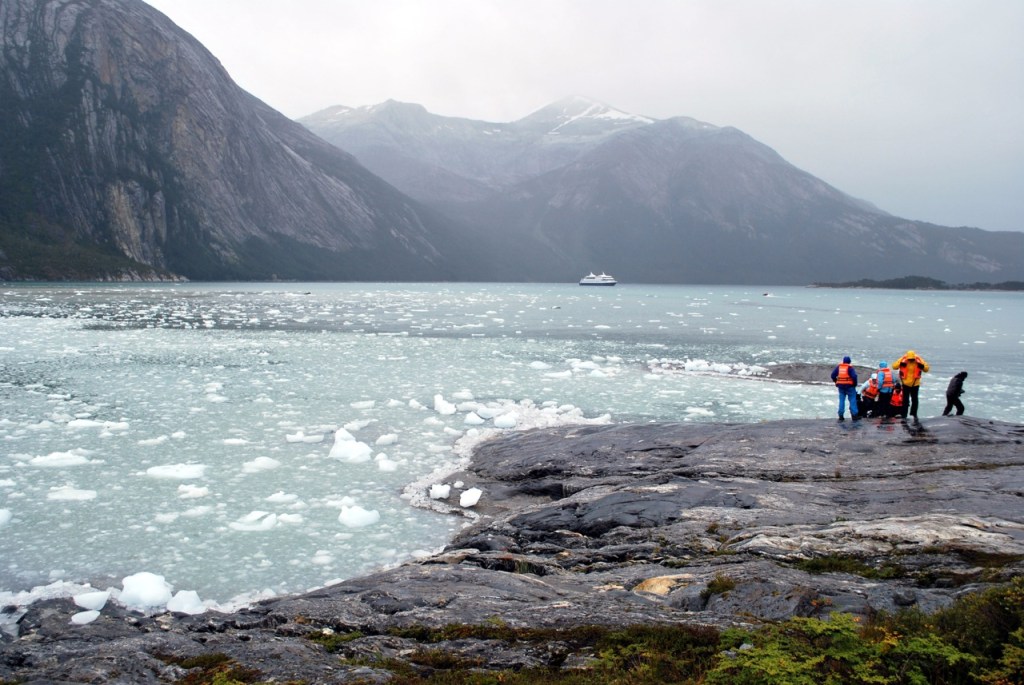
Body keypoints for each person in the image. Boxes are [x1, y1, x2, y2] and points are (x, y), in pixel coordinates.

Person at [893, 350, 930, 422]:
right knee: (905, 400)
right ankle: (904, 415)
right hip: (905, 383)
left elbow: (927, 368)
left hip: (915, 383)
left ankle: (914, 414)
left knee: (915, 399)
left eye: (912, 359)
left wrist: (922, 366)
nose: (911, 360)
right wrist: (900, 364)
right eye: (909, 359)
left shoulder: (919, 360)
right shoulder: (903, 359)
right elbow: (894, 366)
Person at [830, 355, 859, 421]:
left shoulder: (839, 367)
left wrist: (836, 381)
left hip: (841, 387)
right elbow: (854, 376)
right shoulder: (850, 368)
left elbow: (832, 375)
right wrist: (854, 384)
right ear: (849, 361)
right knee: (852, 400)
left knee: (841, 400)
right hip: (850, 387)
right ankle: (854, 415)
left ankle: (841, 415)